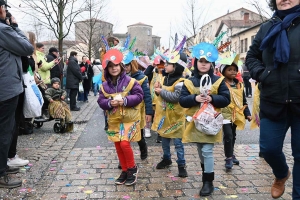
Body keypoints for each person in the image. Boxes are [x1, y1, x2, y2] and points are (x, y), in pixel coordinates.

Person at [246, 0, 300, 199]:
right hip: (273, 99)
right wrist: (263, 73)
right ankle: (281, 174)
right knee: (269, 149)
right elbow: (251, 57)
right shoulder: (267, 27)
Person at [179, 42, 230, 196]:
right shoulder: (188, 81)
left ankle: (208, 181)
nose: (203, 64)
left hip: (211, 123)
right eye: (201, 61)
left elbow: (226, 99)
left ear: (211, 64)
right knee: (201, 151)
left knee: (207, 151)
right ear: (196, 63)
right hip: (195, 123)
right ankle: (205, 173)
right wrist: (195, 98)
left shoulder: (219, 81)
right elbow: (182, 100)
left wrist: (211, 98)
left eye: (206, 62)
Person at [0, 0, 34, 188]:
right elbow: (27, 48)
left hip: (6, 87)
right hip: (6, 89)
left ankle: (3, 164)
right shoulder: (3, 30)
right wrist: (14, 26)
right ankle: (0, 173)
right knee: (5, 131)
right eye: (4, 8)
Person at [98, 49, 143, 186]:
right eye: (111, 66)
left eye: (116, 65)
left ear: (121, 66)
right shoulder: (104, 86)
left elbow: (139, 96)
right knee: (118, 144)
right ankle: (124, 171)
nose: (114, 68)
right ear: (107, 68)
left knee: (124, 143)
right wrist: (109, 103)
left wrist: (125, 100)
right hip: (114, 120)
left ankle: (132, 169)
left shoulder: (131, 81)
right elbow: (100, 101)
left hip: (130, 118)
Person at [152, 52, 188, 178]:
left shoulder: (181, 81)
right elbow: (160, 96)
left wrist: (161, 92)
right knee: (164, 138)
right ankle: (166, 158)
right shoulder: (164, 78)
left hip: (176, 117)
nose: (165, 66)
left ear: (177, 66)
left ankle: (181, 164)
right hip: (164, 116)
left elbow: (176, 98)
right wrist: (157, 91)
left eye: (169, 64)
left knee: (178, 142)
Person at [219, 56, 251, 170]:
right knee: (228, 135)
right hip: (225, 114)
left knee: (233, 135)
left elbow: (243, 100)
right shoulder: (220, 84)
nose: (232, 71)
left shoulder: (239, 84)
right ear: (223, 72)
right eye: (229, 69)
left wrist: (247, 113)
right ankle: (228, 158)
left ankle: (231, 154)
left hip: (237, 114)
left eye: (234, 69)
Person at [124, 54, 152, 161]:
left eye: (127, 65)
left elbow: (147, 96)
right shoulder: (120, 78)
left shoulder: (142, 78)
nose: (125, 68)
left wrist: (149, 112)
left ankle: (143, 148)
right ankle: (126, 158)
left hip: (137, 111)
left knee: (138, 133)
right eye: (123, 65)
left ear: (133, 65)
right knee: (125, 136)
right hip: (124, 111)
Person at [144, 56, 167, 142]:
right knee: (149, 115)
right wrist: (152, 66)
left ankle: (160, 134)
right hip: (152, 100)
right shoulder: (152, 75)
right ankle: (147, 129)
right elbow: (145, 75)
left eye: (163, 67)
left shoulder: (166, 76)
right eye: (159, 67)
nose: (161, 69)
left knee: (160, 117)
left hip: (161, 100)